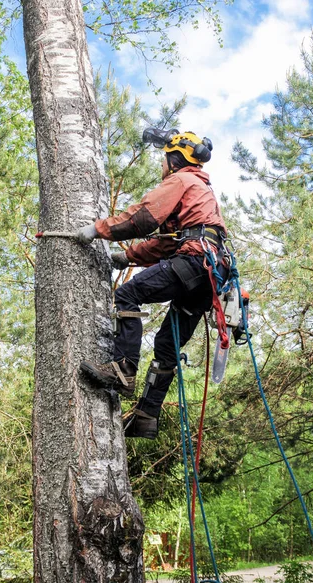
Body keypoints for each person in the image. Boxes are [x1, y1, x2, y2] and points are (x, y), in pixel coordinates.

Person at [77, 129, 229, 440]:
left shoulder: (181, 180)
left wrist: (98, 228)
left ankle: (123, 369)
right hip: (210, 274)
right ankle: (146, 416)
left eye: (164, 160)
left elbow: (144, 218)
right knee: (166, 345)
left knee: (128, 294)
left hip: (195, 262)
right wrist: (128, 257)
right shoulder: (201, 193)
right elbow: (166, 245)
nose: (162, 166)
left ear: (174, 160)